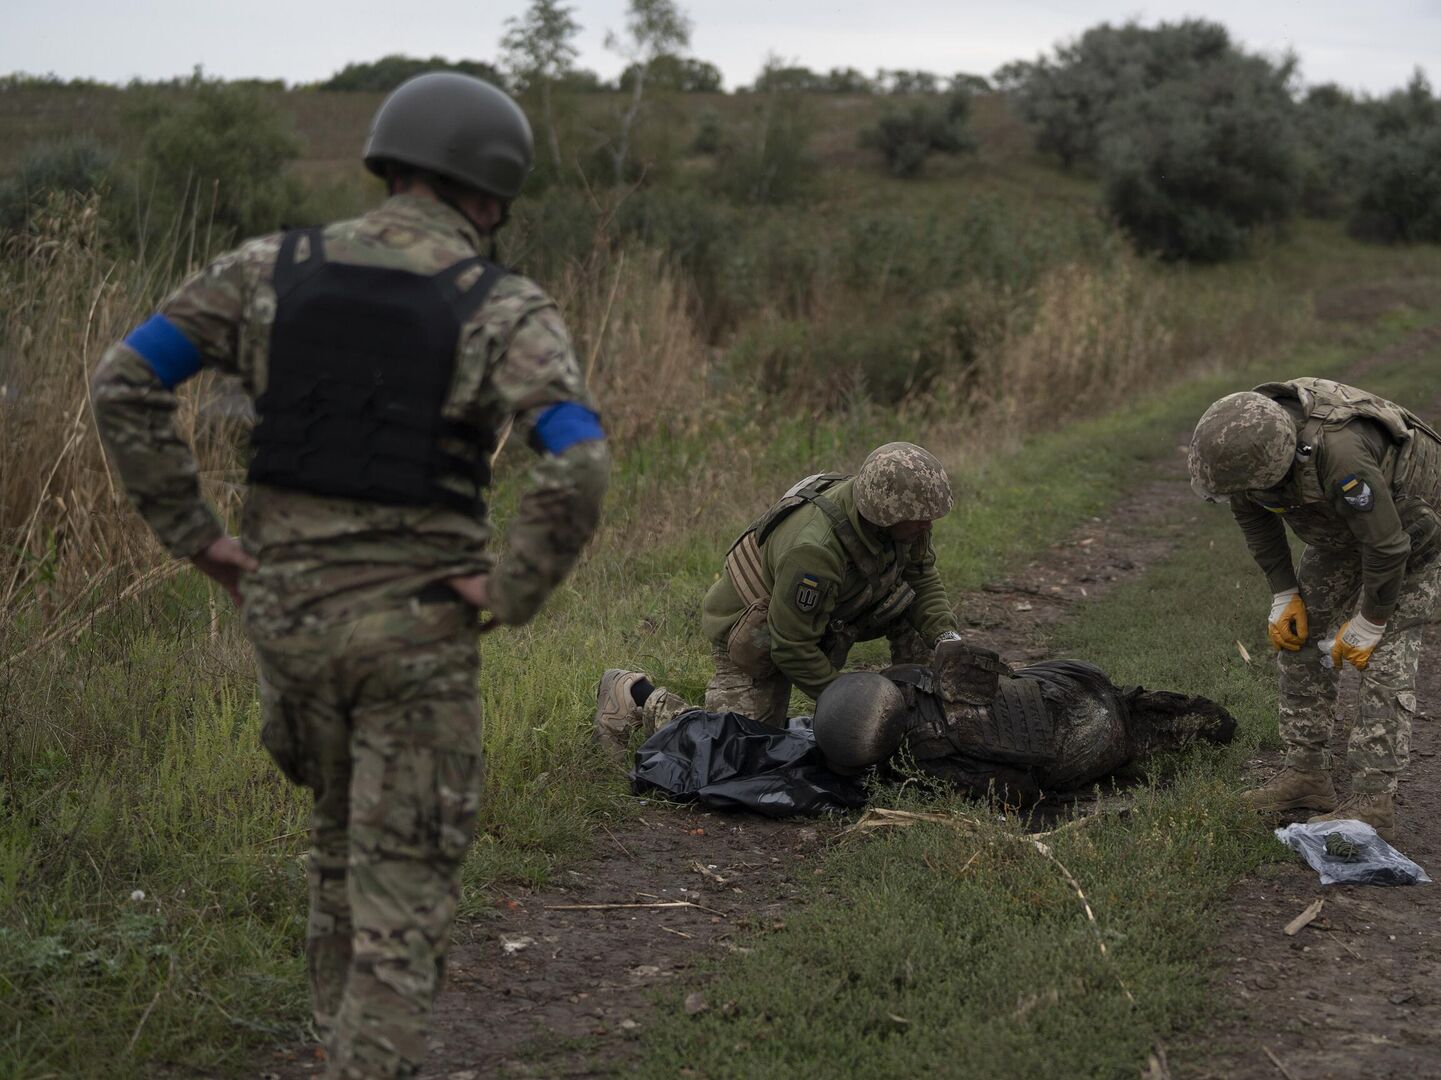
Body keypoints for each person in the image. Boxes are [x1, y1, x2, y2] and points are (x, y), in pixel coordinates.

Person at [89, 72, 609, 1078]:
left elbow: (123, 378)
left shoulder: (264, 268)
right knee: (400, 907)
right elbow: (577, 454)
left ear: (389, 162)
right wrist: (511, 589)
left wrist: (197, 537)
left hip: (288, 631)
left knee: (336, 849)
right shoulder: (502, 307)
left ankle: (337, 1049)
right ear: (490, 196)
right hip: (414, 638)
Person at [1187, 378, 1441, 840]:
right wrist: (1283, 593)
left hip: (1407, 528)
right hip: (1340, 529)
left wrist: (1370, 621)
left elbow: (1388, 546)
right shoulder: (1249, 450)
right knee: (1299, 635)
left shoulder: (1341, 454)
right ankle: (1306, 775)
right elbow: (1252, 514)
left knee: (1386, 656)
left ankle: (1373, 801)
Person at [595, 442, 960, 748]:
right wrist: (856, 706)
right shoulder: (814, 551)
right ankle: (634, 695)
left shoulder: (903, 523)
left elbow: (921, 576)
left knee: (914, 614)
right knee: (735, 752)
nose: (928, 525)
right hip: (755, 635)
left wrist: (947, 637)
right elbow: (790, 646)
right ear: (882, 513)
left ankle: (918, 719)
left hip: (819, 618)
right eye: (919, 518)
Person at [611, 641, 1236, 808]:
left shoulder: (933, 757)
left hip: (1093, 709)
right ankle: (638, 695)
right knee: (764, 741)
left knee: (766, 743)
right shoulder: (925, 691)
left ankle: (639, 695)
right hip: (1093, 696)